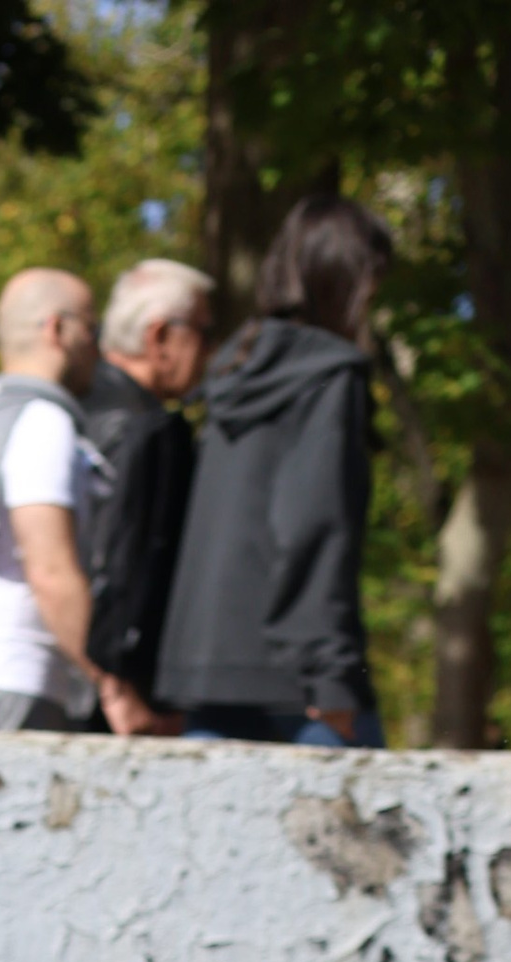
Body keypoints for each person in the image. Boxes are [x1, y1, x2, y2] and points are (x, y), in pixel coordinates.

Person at [155, 194, 393, 747]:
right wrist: (333, 676)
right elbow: (314, 525)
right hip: (299, 686)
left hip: (206, 673)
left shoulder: (230, 369)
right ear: (350, 281)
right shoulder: (329, 375)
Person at [0, 269, 140, 736]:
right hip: (8, 678)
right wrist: (112, 687)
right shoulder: (40, 422)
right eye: (91, 329)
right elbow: (50, 569)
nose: (98, 348)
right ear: (57, 329)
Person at [82, 258, 211, 736]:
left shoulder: (67, 406)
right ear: (159, 337)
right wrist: (122, 684)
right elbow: (121, 566)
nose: (211, 350)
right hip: (118, 702)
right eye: (204, 332)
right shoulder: (147, 429)